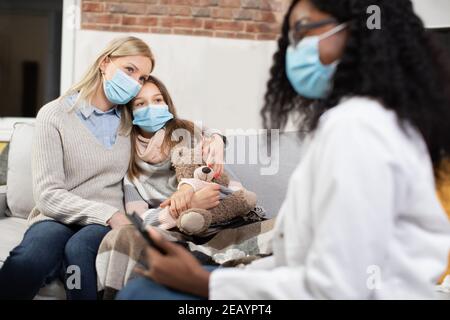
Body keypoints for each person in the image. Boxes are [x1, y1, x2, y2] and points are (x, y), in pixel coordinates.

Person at [117, 0, 450, 300]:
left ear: (359, 31)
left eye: (304, 31)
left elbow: (340, 289)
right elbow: (300, 261)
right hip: (289, 279)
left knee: (143, 294)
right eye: (291, 37)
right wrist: (230, 275)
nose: (294, 49)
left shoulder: (358, 127)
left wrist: (205, 284)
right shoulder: (362, 120)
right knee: (146, 287)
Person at [0, 36, 155, 300]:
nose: (135, 82)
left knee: (79, 252)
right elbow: (48, 195)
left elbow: (181, 131)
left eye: (142, 78)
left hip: (102, 225)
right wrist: (109, 214)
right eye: (130, 69)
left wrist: (215, 140)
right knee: (31, 259)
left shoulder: (134, 120)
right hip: (57, 217)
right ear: (105, 63)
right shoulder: (54, 114)